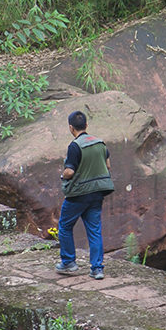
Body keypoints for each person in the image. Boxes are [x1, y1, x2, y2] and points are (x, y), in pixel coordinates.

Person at [56, 110, 114, 279]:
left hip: (78, 196)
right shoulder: (100, 143)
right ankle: (97, 269)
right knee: (95, 231)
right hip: (97, 194)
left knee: (65, 227)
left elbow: (69, 172)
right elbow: (108, 165)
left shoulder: (75, 146)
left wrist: (63, 175)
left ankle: (68, 263)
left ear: (70, 127)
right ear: (86, 125)